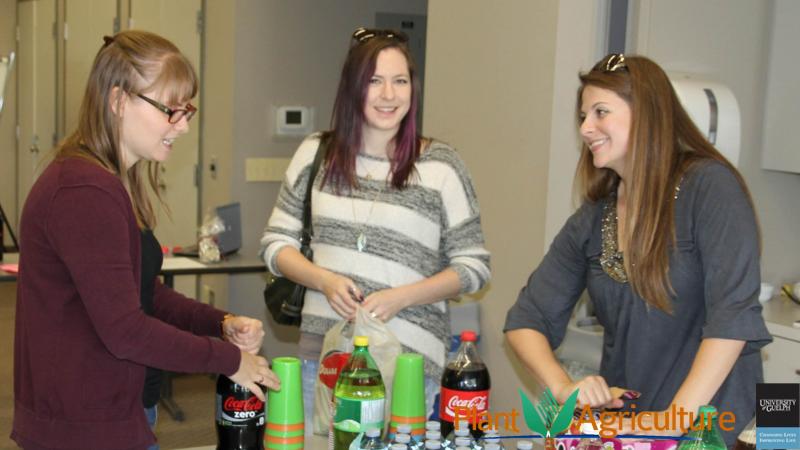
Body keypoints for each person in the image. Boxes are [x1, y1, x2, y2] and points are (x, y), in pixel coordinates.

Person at [12, 30, 280, 450]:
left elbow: (141, 293)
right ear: (118, 102)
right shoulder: (84, 191)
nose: (184, 125)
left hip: (119, 410)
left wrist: (219, 324)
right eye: (171, 110)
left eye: (187, 110)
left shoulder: (110, 182)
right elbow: (125, 330)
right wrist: (231, 362)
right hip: (83, 428)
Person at [504, 54, 771, 446]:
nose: (586, 128)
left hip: (722, 428)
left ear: (646, 114)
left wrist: (672, 421)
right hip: (635, 431)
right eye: (582, 116)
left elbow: (733, 322)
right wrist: (563, 389)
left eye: (600, 112)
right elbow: (525, 321)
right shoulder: (595, 216)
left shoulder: (710, 187)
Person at [261, 27, 490, 429]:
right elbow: (275, 245)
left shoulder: (441, 166)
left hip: (407, 366)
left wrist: (402, 297)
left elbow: (474, 268)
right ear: (352, 88)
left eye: (400, 81)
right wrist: (325, 281)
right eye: (375, 81)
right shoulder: (316, 153)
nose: (389, 95)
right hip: (326, 360)